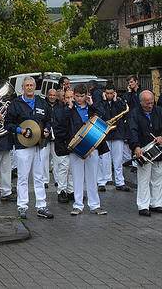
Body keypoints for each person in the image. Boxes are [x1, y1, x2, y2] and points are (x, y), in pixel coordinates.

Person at [5, 76, 54, 220]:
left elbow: (49, 121)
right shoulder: (16, 104)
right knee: (22, 177)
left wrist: (47, 129)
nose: (30, 87)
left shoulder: (41, 102)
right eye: (27, 85)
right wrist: (21, 131)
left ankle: (41, 206)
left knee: (39, 177)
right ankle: (22, 206)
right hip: (22, 146)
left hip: (39, 145)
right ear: (23, 87)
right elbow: (8, 124)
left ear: (35, 86)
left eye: (32, 85)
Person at [64, 84, 108, 216]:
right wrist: (69, 108)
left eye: (82, 96)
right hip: (76, 146)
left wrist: (92, 104)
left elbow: (103, 116)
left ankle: (95, 205)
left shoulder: (91, 108)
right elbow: (62, 122)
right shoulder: (69, 109)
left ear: (86, 95)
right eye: (76, 96)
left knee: (92, 176)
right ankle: (78, 204)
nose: (79, 99)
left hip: (92, 145)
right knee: (77, 177)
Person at [128, 90, 162, 216]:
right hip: (143, 150)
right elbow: (132, 131)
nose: (150, 105)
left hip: (159, 150)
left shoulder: (159, 111)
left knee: (157, 178)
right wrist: (136, 147)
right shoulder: (135, 114)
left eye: (152, 102)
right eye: (147, 103)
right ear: (141, 102)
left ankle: (156, 203)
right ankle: (143, 206)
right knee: (143, 179)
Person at [97, 83, 130, 193]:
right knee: (103, 160)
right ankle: (102, 182)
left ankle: (120, 182)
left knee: (118, 160)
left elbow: (124, 114)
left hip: (117, 134)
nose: (109, 95)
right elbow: (100, 113)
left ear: (114, 93)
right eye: (107, 93)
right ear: (104, 93)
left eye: (111, 93)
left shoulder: (119, 102)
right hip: (105, 134)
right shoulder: (101, 103)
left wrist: (115, 101)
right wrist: (105, 101)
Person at [53, 89, 75, 203]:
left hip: (74, 143)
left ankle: (71, 191)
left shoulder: (75, 109)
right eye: (67, 97)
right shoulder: (59, 110)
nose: (70, 100)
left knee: (72, 169)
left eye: (72, 97)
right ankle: (61, 191)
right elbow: (60, 125)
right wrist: (68, 109)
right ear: (63, 98)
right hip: (62, 143)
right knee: (63, 168)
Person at [43, 88, 59, 189]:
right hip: (46, 135)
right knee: (44, 158)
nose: (52, 97)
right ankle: (45, 180)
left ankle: (57, 179)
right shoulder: (43, 105)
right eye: (50, 95)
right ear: (48, 95)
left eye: (54, 95)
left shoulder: (60, 105)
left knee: (57, 159)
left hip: (56, 135)